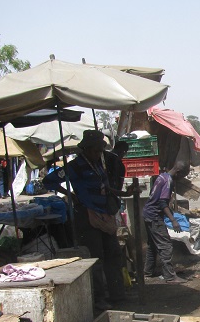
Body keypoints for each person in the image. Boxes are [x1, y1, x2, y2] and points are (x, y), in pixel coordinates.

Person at [43, 130, 135, 311]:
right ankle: (98, 299)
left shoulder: (98, 165)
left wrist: (125, 193)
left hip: (104, 214)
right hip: (86, 216)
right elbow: (49, 181)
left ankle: (117, 294)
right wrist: (70, 195)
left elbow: (106, 188)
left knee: (113, 253)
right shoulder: (75, 167)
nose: (98, 154)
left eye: (100, 151)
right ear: (86, 149)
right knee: (96, 259)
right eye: (95, 151)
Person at [143, 161, 189, 283]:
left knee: (152, 245)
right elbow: (162, 202)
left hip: (148, 213)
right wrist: (173, 220)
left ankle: (148, 271)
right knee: (165, 245)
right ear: (178, 172)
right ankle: (170, 276)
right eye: (182, 176)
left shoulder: (161, 176)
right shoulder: (168, 181)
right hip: (154, 216)